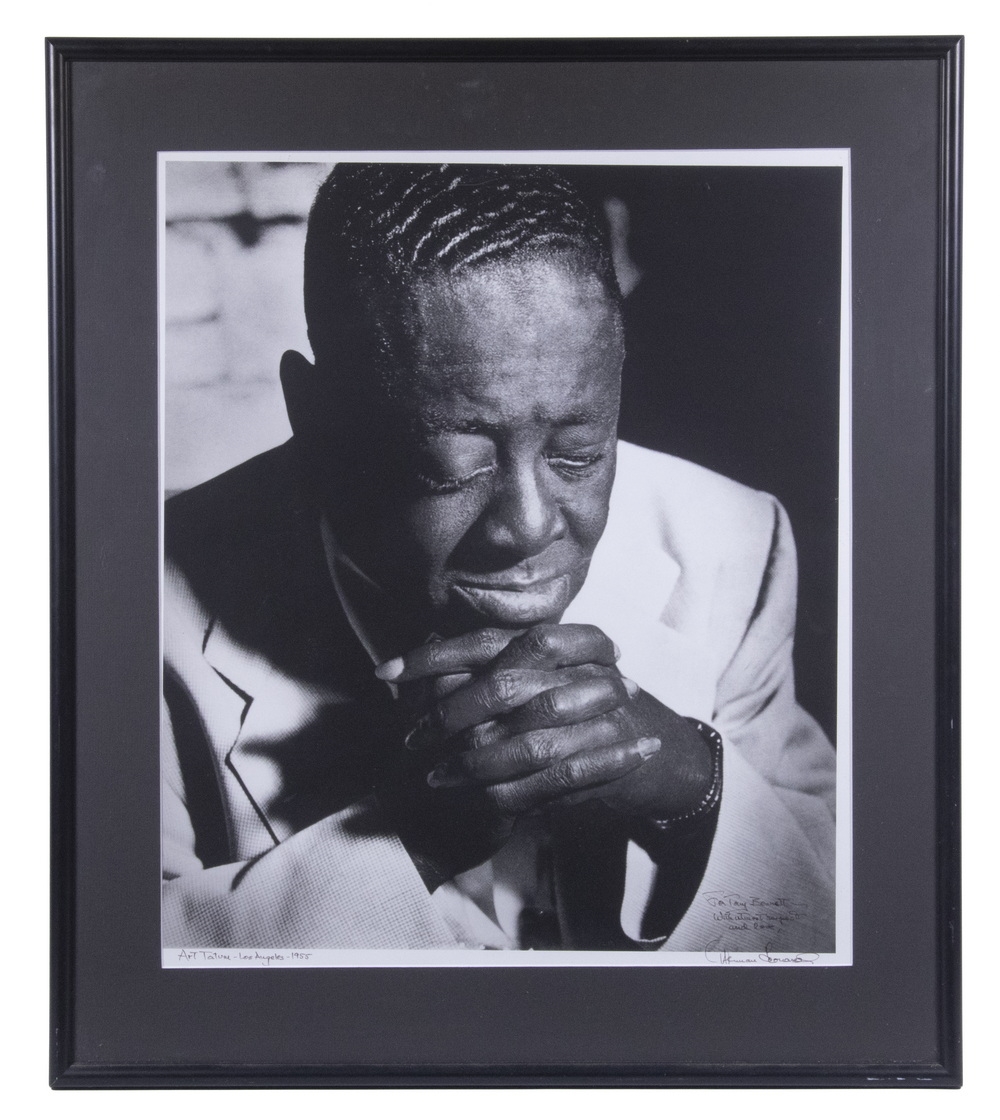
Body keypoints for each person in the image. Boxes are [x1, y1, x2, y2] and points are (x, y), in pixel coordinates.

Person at [162, 163, 836, 953]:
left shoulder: (729, 539)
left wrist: (695, 784)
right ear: (315, 418)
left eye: (580, 452)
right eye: (449, 468)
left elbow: (845, 912)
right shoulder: (125, 613)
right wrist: (410, 841)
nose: (526, 524)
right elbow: (109, 988)